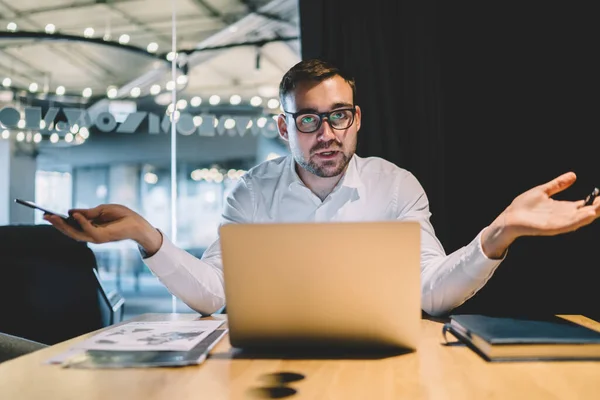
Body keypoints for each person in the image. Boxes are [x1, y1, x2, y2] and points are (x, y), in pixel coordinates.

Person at [45, 59, 600, 317]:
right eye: (308, 120)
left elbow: (432, 293)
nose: (327, 134)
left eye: (338, 116)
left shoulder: (396, 185)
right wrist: (148, 237)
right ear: (285, 127)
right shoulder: (251, 192)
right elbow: (215, 294)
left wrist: (499, 233)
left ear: (356, 118)